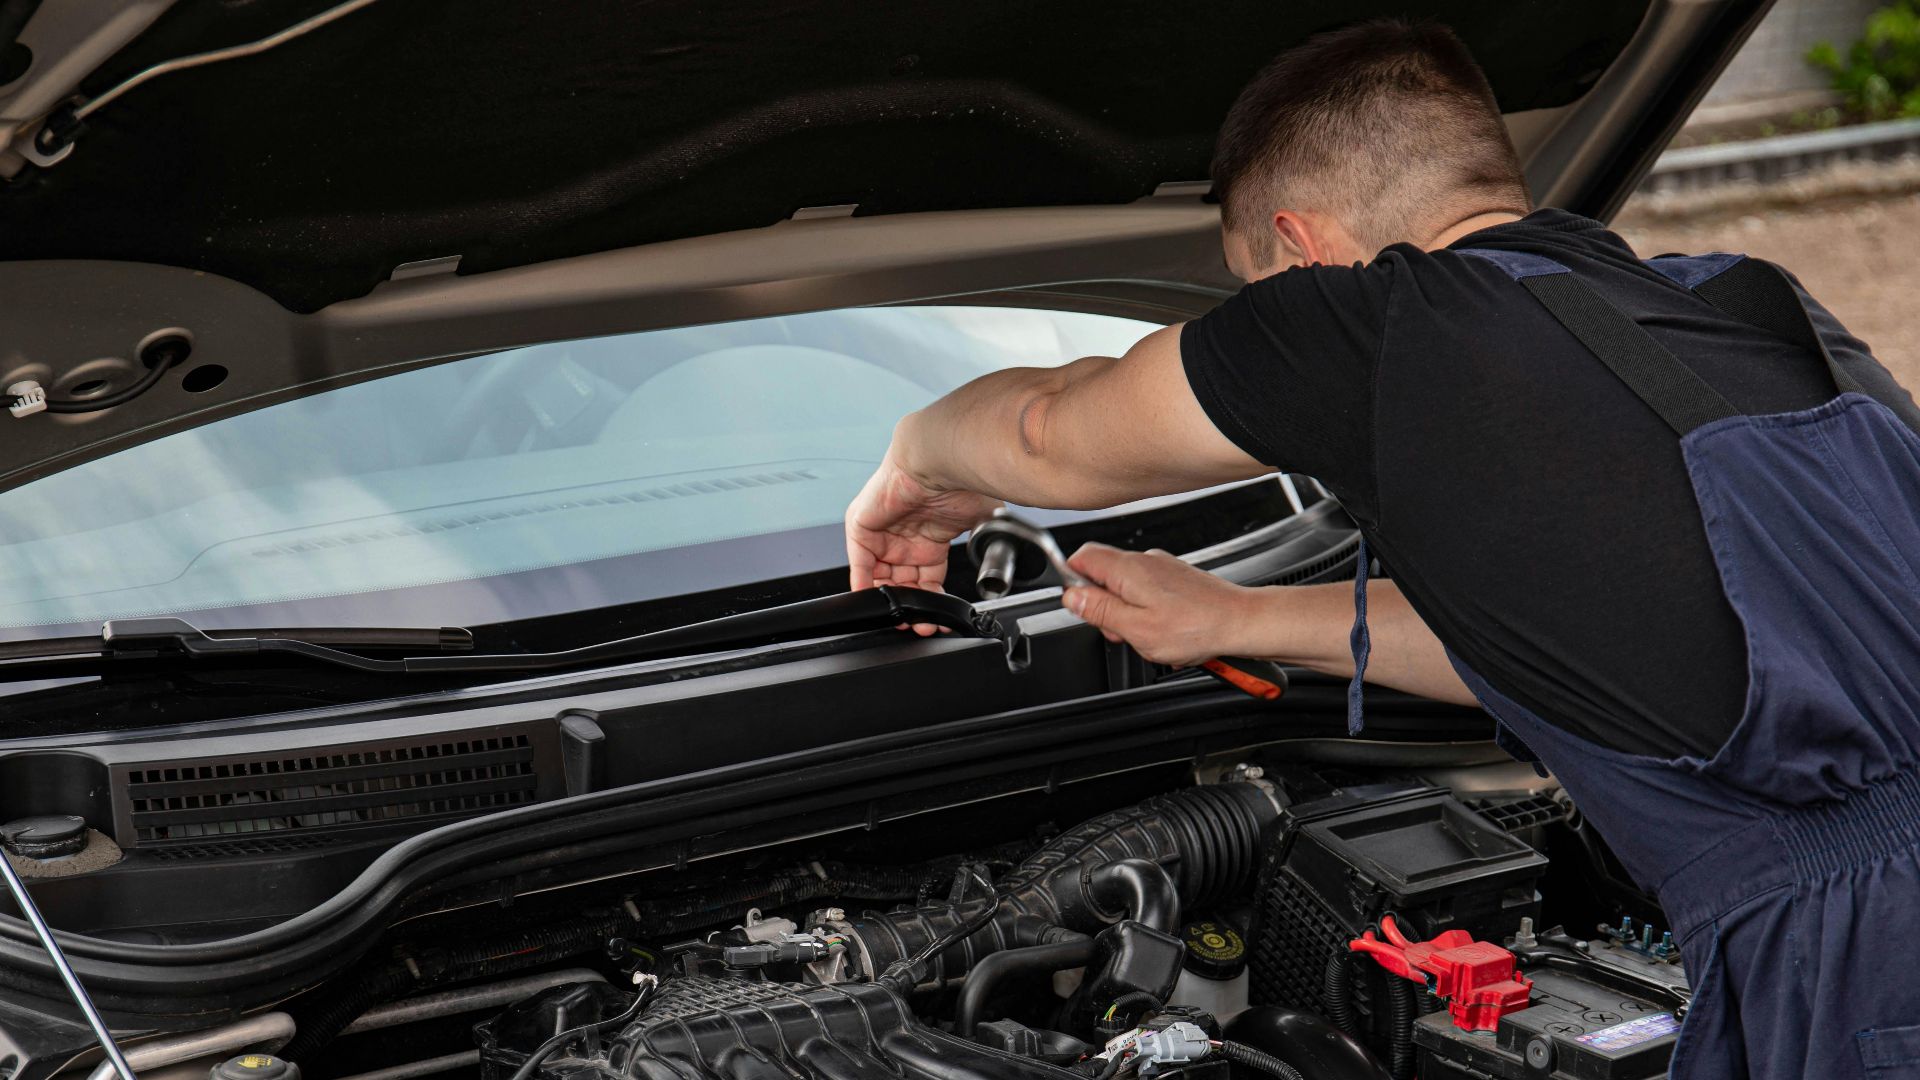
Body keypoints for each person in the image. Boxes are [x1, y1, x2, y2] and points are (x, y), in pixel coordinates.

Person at [842, 17, 1920, 1080]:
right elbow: (1590, 630)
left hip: (1857, 956)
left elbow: (1048, 432)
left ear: (1305, 252)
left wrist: (910, 457)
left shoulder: (1381, 323)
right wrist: (1236, 618)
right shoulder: (1753, 304)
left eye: (1256, 286)